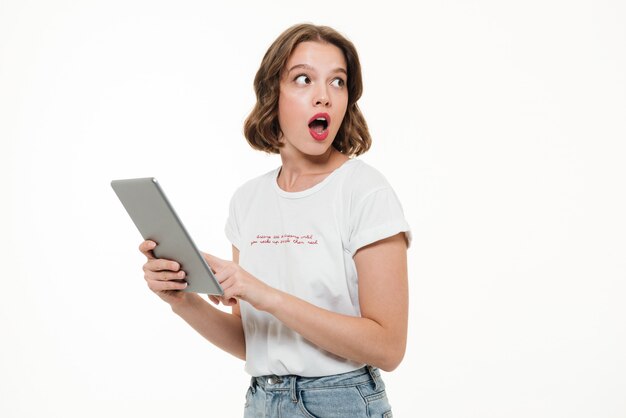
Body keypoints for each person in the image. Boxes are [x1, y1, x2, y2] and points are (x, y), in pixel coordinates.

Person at [139, 23, 411, 418]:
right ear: (273, 94)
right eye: (304, 79)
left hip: (343, 403)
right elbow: (253, 342)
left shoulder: (365, 192)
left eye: (338, 82)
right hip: (263, 402)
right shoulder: (248, 200)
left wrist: (263, 293)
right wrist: (182, 300)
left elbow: (389, 348)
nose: (324, 96)